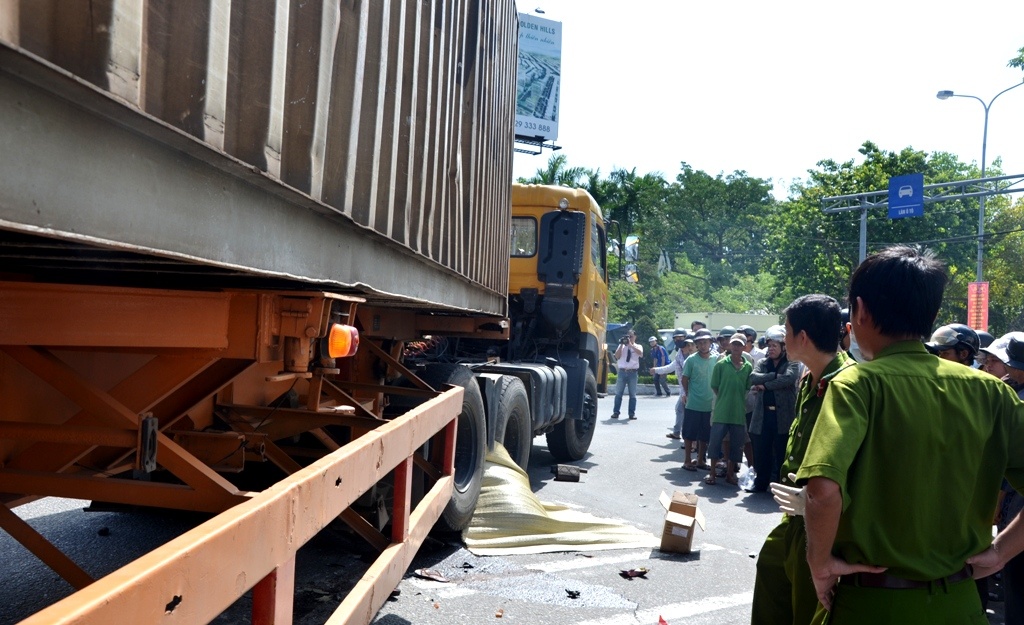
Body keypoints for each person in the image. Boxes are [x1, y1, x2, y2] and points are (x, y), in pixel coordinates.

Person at [795, 246, 1024, 624]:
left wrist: (820, 565)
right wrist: (1001, 552)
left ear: (860, 311)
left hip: (872, 605)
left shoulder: (856, 384)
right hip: (960, 603)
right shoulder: (991, 391)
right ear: (930, 314)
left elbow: (822, 491)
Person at [751, 294, 852, 625]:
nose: (782, 339)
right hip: (795, 517)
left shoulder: (847, 384)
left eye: (787, 331)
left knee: (808, 608)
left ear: (803, 337)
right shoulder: (810, 379)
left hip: (824, 520)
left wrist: (813, 500)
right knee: (770, 572)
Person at [747, 324, 800, 494]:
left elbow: (789, 378)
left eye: (774, 346)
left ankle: (780, 484)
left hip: (783, 416)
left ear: (783, 347)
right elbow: (753, 377)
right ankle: (760, 483)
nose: (771, 349)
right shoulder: (762, 363)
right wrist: (775, 376)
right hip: (763, 415)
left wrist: (766, 386)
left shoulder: (792, 362)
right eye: (769, 345)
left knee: (782, 450)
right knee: (762, 450)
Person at [706, 333, 752, 486]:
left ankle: (730, 474)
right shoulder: (720, 364)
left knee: (736, 446)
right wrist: (725, 398)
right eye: (734, 344)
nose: (736, 347)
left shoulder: (748, 367)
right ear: (730, 346)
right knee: (715, 444)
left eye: (739, 345)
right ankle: (712, 474)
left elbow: (747, 388)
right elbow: (714, 386)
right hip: (721, 411)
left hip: (738, 413)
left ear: (745, 347)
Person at [680, 328, 716, 471]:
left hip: (709, 404)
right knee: (689, 434)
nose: (703, 345)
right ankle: (687, 460)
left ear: (710, 342)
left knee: (704, 435)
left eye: (705, 342)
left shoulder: (716, 359)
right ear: (696, 344)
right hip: (693, 403)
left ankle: (700, 460)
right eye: (700, 343)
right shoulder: (691, 360)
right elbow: (684, 379)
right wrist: (688, 393)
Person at [652, 329, 694, 440]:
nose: (678, 340)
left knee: (688, 413)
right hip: (685, 388)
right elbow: (672, 368)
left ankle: (689, 439)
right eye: (675, 338)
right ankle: (680, 434)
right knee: (680, 409)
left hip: (694, 389)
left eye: (680, 338)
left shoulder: (693, 354)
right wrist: (656, 370)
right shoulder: (679, 354)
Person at [611, 329, 642, 420]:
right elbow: (616, 356)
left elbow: (640, 354)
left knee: (632, 395)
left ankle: (631, 414)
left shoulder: (638, 346)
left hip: (633, 372)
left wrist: (631, 345)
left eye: (631, 336)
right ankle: (616, 412)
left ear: (635, 337)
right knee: (618, 394)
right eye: (628, 336)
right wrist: (621, 344)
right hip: (622, 372)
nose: (629, 338)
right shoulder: (622, 346)